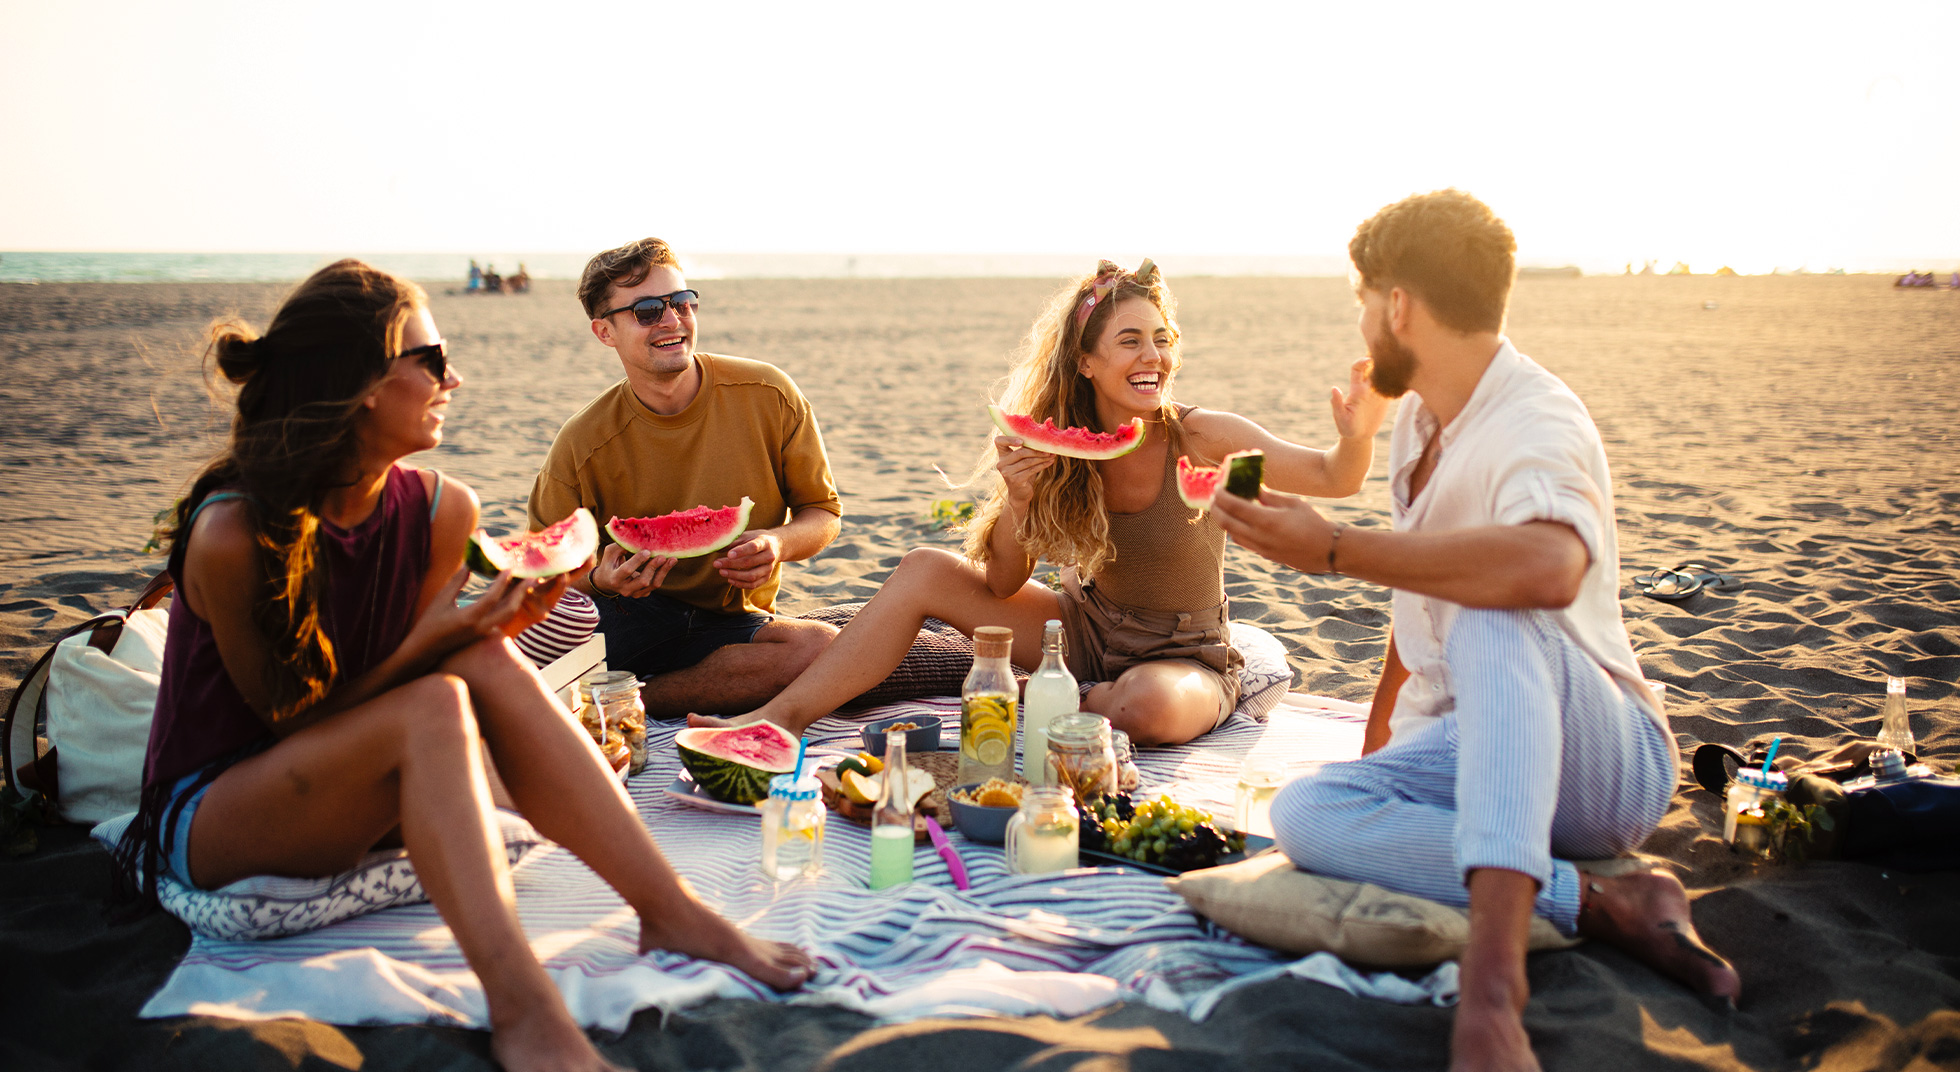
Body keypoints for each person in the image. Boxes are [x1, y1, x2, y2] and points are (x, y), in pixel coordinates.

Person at [113, 260, 812, 1072]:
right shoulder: (233, 534)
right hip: (224, 808)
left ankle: (671, 909)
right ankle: (524, 1008)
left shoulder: (444, 510)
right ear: (363, 385)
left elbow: (407, 685)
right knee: (446, 687)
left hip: (358, 784)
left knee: (475, 663)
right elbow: (291, 721)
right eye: (433, 361)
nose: (457, 377)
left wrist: (473, 635)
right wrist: (451, 638)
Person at [1209, 190, 1739, 1071]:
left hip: (1605, 762)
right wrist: (1377, 756)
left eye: (1363, 300)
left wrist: (1334, 547)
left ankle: (1493, 997)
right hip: (1476, 739)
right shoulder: (1419, 414)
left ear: (1399, 305)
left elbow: (1546, 569)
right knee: (1311, 811)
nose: (1363, 320)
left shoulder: (1538, 418)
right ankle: (1606, 905)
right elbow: (1418, 602)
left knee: (1500, 610)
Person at [695, 258, 1385, 745]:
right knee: (921, 569)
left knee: (1143, 710)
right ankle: (781, 718)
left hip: (1185, 652)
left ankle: (1054, 698)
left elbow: (1331, 478)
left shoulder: (1200, 434)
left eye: (1162, 339)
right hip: (1083, 630)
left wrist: (1358, 435)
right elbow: (1000, 582)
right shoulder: (1060, 447)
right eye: (1130, 340)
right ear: (1086, 362)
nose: (1154, 355)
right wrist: (1023, 496)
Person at [529, 238, 841, 718]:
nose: (672, 321)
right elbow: (544, 580)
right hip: (625, 615)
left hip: (731, 619)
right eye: (648, 310)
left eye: (682, 302)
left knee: (822, 649)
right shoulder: (582, 443)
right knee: (508, 652)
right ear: (604, 332)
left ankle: (636, 700)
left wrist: (780, 544)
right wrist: (602, 579)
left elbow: (823, 513)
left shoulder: (768, 394)